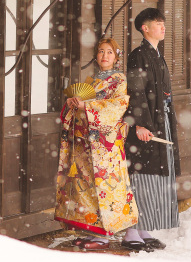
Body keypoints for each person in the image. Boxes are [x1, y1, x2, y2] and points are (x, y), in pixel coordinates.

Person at [55, 38, 138, 250]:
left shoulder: (119, 80)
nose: (104, 56)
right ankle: (90, 231)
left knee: (105, 187)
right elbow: (81, 102)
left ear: (116, 56)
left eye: (109, 52)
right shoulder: (92, 80)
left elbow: (118, 106)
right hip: (84, 141)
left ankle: (103, 235)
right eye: (101, 51)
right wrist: (73, 103)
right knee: (86, 187)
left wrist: (88, 105)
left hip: (105, 144)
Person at [122, 7, 180, 252]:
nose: (162, 26)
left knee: (156, 175)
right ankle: (130, 232)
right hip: (146, 123)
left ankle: (143, 228)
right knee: (141, 174)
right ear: (144, 28)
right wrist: (141, 123)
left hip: (160, 120)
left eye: (162, 22)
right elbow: (136, 90)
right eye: (157, 23)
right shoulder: (138, 55)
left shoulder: (156, 53)